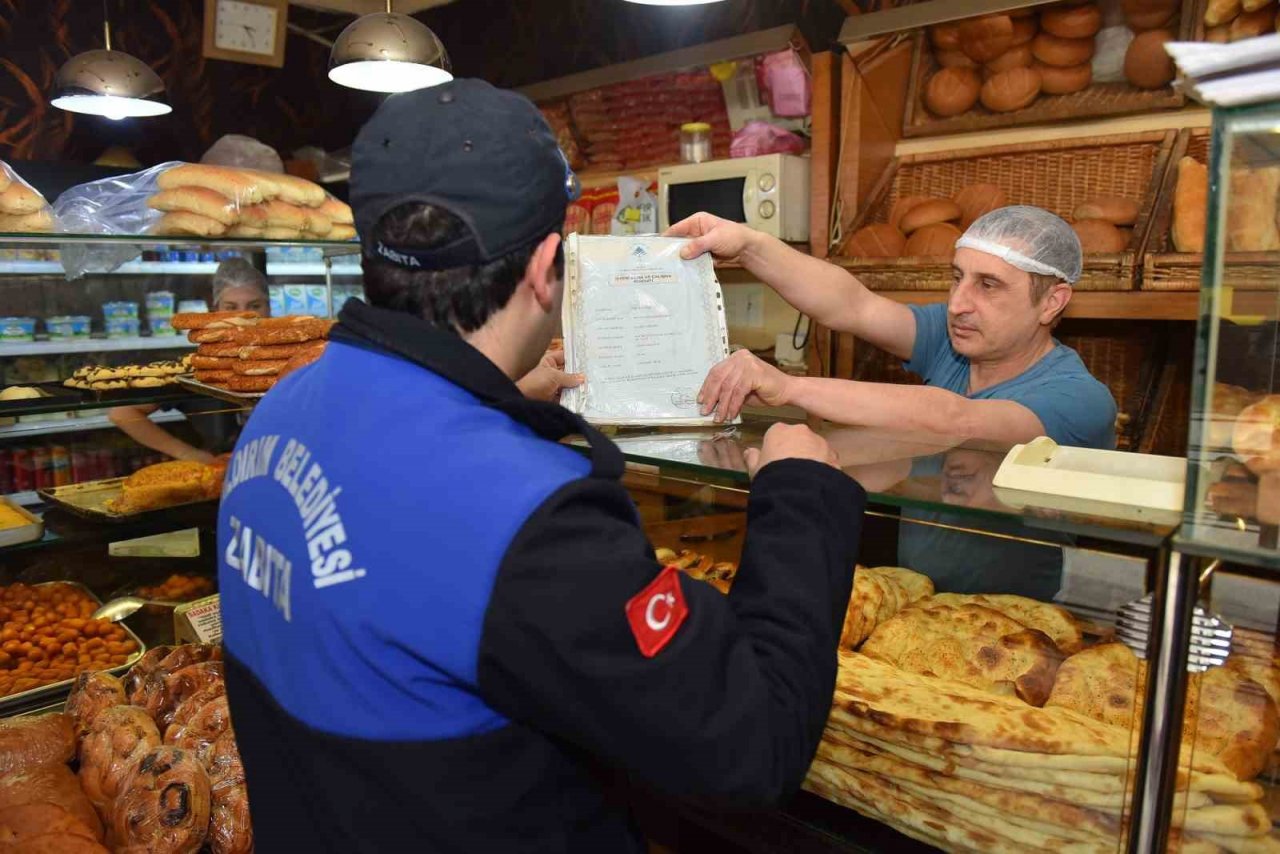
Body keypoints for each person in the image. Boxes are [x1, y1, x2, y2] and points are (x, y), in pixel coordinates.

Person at [216, 79, 867, 853]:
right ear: (547, 267)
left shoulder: (279, 410)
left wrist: (487, 404)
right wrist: (799, 495)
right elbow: (748, 744)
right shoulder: (530, 516)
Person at [671, 206, 1117, 450]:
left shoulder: (1079, 399)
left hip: (1017, 614)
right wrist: (751, 245)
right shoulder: (954, 342)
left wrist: (786, 386)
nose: (958, 304)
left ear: (1052, 302)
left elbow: (953, 418)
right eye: (958, 277)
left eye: (989, 285)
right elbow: (853, 306)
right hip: (918, 600)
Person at [107, 257, 271, 463]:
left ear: (269, 309)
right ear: (215, 311)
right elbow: (122, 413)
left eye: (255, 305)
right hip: (224, 476)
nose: (243, 317)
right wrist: (188, 454)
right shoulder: (198, 364)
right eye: (230, 307)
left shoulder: (294, 356)